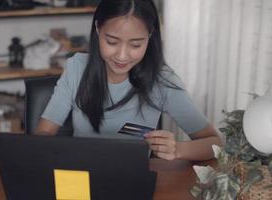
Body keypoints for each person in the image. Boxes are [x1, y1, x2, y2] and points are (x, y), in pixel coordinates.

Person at [35, 0, 222, 161]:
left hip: (133, 177)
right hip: (79, 174)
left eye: (136, 45)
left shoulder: (162, 80)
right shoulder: (77, 68)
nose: (122, 56)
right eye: (112, 42)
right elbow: (43, 133)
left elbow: (215, 144)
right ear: (98, 29)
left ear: (150, 36)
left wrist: (178, 150)